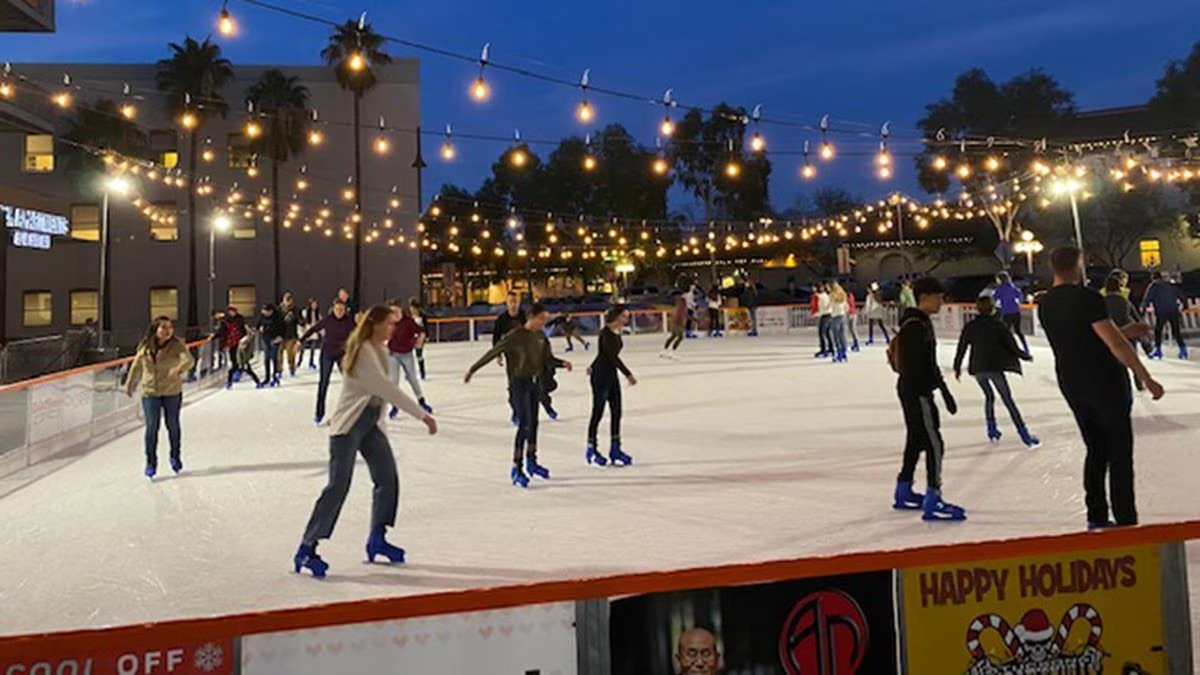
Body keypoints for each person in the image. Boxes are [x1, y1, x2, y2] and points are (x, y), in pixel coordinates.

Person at [293, 305, 438, 579]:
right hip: (347, 427)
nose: (393, 329)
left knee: (387, 478)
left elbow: (382, 394)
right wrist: (423, 415)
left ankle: (377, 537)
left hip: (370, 425)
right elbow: (386, 389)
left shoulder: (380, 350)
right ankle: (307, 547)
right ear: (376, 325)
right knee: (338, 485)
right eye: (389, 324)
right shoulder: (362, 352)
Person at [1038, 247, 1162, 529]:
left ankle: (1096, 514)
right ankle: (1126, 520)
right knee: (1119, 452)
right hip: (1104, 381)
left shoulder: (1046, 303)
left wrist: (1129, 331)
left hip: (1071, 381)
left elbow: (1084, 334)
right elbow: (1114, 343)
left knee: (1095, 448)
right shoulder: (1087, 297)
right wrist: (1145, 376)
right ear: (1076, 266)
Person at [464, 303, 572, 488]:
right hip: (518, 384)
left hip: (534, 384)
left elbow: (547, 360)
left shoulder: (540, 337)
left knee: (534, 424)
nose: (544, 322)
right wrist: (473, 369)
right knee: (524, 425)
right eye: (541, 319)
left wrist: (562, 363)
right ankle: (517, 466)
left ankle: (532, 461)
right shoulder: (515, 336)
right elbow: (494, 352)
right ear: (531, 317)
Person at [890, 277, 964, 521]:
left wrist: (943, 390)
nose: (942, 302)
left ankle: (904, 489)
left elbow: (927, 363)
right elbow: (917, 364)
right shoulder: (916, 325)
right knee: (934, 443)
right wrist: (930, 390)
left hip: (913, 389)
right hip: (917, 390)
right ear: (925, 297)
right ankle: (934, 496)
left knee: (916, 439)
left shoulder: (917, 322)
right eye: (938, 297)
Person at [953, 295, 1038, 447]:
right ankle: (1024, 434)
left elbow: (962, 347)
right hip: (994, 367)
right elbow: (1012, 346)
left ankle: (992, 430)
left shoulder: (971, 326)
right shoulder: (998, 325)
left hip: (978, 369)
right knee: (1007, 400)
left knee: (989, 397)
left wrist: (957, 367)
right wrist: (1025, 356)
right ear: (992, 308)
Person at [124, 317, 195, 479]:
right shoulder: (145, 345)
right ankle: (150, 462)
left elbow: (189, 361)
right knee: (151, 427)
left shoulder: (177, 345)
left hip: (171, 391)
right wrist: (130, 383)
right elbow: (136, 365)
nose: (168, 331)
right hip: (150, 391)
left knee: (172, 425)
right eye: (163, 327)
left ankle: (175, 457)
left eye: (170, 327)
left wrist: (177, 369)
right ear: (156, 329)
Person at [586, 305, 637, 467]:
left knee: (617, 412)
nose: (626, 319)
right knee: (598, 412)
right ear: (616, 317)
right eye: (624, 316)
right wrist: (628, 374)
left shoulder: (616, 332)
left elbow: (602, 354)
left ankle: (615, 449)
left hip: (610, 375)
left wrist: (591, 364)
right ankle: (591, 448)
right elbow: (611, 356)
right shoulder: (605, 333)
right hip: (601, 376)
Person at [299, 298, 356, 425]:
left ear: (345, 310)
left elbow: (359, 334)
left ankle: (350, 412)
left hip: (342, 355)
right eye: (337, 309)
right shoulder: (328, 320)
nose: (339, 312)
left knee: (350, 383)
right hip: (327, 354)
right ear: (333, 309)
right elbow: (313, 329)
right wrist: (300, 341)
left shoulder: (349, 322)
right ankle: (319, 413)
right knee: (323, 383)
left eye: (341, 309)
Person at [385, 300, 433, 419]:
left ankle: (421, 401)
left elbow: (421, 331)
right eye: (391, 311)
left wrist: (419, 341)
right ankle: (394, 406)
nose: (394, 314)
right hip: (393, 354)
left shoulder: (408, 322)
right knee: (393, 381)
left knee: (412, 378)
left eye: (395, 311)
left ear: (400, 310)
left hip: (406, 354)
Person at [1104, 275, 1148, 391]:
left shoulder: (1101, 302)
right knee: (1133, 358)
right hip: (1129, 332)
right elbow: (1135, 317)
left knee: (1114, 361)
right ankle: (1139, 383)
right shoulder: (1124, 301)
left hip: (1110, 334)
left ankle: (1116, 385)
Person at [494, 291, 528, 424]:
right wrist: (498, 354)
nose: (513, 305)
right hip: (511, 357)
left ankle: (524, 410)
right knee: (513, 385)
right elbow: (496, 338)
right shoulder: (501, 320)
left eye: (515, 301)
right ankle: (516, 411)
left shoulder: (524, 316)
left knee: (526, 385)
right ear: (506, 303)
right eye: (510, 302)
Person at [1141, 270, 1188, 359]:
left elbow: (1147, 299)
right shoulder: (1171, 285)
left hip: (1161, 311)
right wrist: (1184, 306)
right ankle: (1183, 350)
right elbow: (1182, 296)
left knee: (1158, 331)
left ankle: (1158, 350)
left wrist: (1143, 309)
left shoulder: (1154, 286)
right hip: (1173, 310)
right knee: (1176, 331)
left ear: (1153, 277)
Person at [992, 272, 1029, 355]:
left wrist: (998, 305)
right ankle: (1025, 347)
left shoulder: (1000, 289)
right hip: (1016, 311)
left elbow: (994, 299)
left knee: (1006, 331)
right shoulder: (1012, 287)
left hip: (1007, 312)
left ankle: (1009, 348)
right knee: (1018, 330)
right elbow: (1019, 295)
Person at [276, 292, 303, 377]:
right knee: (279, 355)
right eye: (286, 300)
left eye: (289, 300)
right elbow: (276, 321)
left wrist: (300, 321)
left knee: (290, 354)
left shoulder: (295, 310)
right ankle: (279, 370)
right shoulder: (279, 310)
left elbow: (300, 320)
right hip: (280, 335)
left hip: (291, 335)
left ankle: (292, 369)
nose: (288, 303)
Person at [257, 304, 285, 387]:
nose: (264, 313)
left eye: (266, 311)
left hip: (275, 339)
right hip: (266, 339)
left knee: (274, 358)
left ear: (270, 311)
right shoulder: (262, 317)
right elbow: (258, 325)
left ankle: (275, 377)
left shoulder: (277, 318)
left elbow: (283, 328)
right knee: (266, 359)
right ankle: (267, 378)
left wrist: (280, 337)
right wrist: (260, 328)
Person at [216, 305, 247, 378]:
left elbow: (243, 330)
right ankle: (236, 370)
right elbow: (222, 331)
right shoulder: (225, 320)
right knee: (233, 356)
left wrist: (244, 338)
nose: (232, 313)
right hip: (231, 341)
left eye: (233, 311)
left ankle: (240, 369)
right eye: (231, 311)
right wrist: (214, 337)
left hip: (240, 340)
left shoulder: (240, 319)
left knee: (240, 356)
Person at [661, 291, 688, 360]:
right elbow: (681, 312)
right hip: (678, 321)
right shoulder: (682, 301)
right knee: (678, 336)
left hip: (678, 321)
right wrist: (680, 321)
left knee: (674, 336)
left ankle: (666, 351)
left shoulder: (681, 301)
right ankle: (671, 352)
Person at [828, 282, 850, 362]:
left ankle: (839, 353)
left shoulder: (831, 296)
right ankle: (844, 353)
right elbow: (847, 307)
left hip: (835, 317)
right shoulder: (843, 295)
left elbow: (829, 307)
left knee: (836, 336)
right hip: (842, 316)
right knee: (842, 335)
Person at [300, 297, 322, 370]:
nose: (315, 306)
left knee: (313, 348)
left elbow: (320, 321)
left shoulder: (317, 313)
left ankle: (311, 362)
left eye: (316, 304)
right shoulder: (305, 312)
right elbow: (302, 322)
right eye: (313, 304)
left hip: (314, 332)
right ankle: (299, 361)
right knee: (302, 348)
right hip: (306, 332)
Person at [409, 298, 428, 380]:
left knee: (419, 355)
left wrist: (426, 336)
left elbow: (426, 327)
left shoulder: (422, 316)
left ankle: (422, 372)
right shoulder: (409, 316)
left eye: (412, 308)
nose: (411, 310)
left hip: (420, 336)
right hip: (411, 337)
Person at [813, 283, 834, 358]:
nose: (813, 290)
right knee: (828, 333)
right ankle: (831, 349)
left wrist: (816, 314)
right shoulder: (826, 295)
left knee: (822, 333)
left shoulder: (819, 296)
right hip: (829, 315)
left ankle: (823, 350)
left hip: (825, 316)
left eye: (814, 288)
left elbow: (821, 307)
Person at [846, 287, 860, 352]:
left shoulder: (847, 297)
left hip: (850, 313)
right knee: (853, 329)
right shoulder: (851, 296)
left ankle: (856, 344)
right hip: (853, 313)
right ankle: (856, 343)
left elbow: (848, 306)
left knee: (851, 329)